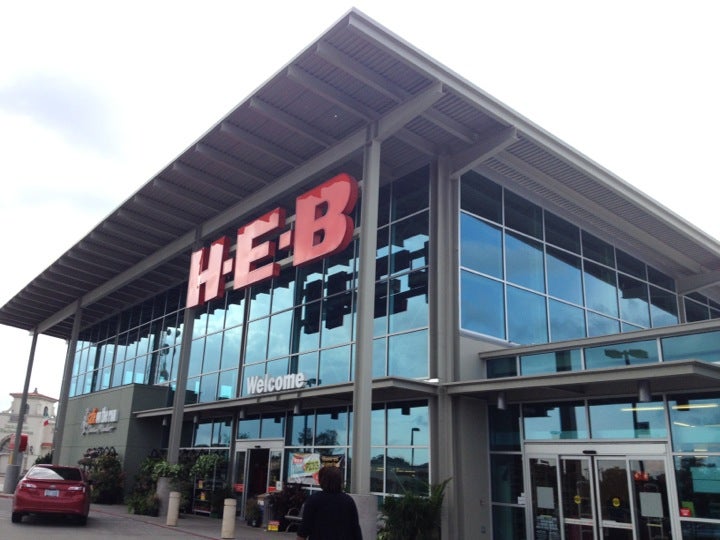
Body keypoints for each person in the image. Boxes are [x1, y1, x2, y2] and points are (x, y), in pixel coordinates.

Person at [296, 465, 362, 540]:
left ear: (322, 480)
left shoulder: (313, 500)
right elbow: (355, 529)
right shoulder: (348, 501)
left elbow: (304, 529)